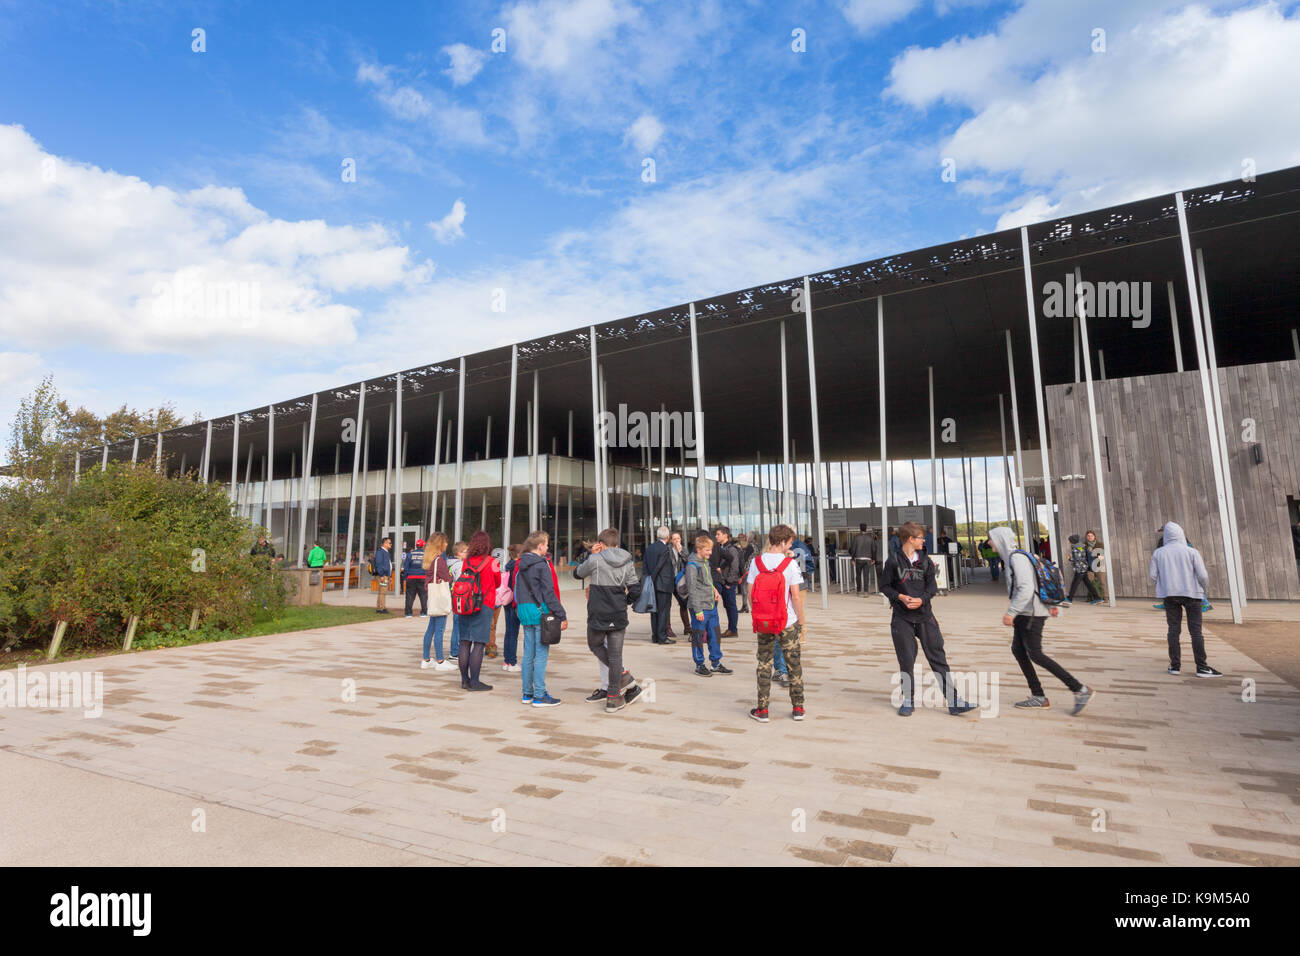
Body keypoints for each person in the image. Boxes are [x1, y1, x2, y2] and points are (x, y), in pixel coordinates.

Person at [989, 526, 1093, 714]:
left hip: (1030, 613)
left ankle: (1079, 689)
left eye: (991, 539)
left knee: (1035, 653)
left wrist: (1011, 612)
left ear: (1000, 540)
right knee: (1019, 650)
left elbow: (1027, 588)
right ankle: (1038, 695)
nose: (989, 543)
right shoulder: (1018, 556)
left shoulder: (1016, 558)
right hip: (1027, 613)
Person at [880, 522, 977, 717]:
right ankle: (908, 700)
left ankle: (954, 701)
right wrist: (900, 597)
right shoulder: (892, 561)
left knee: (938, 658)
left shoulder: (926, 561)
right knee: (906, 660)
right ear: (910, 539)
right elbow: (885, 586)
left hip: (925, 617)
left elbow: (932, 587)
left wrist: (921, 600)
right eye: (921, 538)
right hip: (902, 618)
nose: (924, 540)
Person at [574, 528, 644, 713]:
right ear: (617, 545)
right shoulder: (628, 561)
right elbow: (636, 591)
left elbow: (577, 573)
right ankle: (613, 699)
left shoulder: (596, 560)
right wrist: (624, 601)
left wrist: (592, 555)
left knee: (595, 644)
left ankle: (625, 677)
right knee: (615, 655)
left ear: (602, 544)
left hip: (599, 614)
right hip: (618, 613)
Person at [747, 524, 806, 723]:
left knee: (764, 663)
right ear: (782, 542)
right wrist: (801, 620)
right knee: (793, 664)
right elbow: (796, 596)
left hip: (764, 621)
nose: (790, 546)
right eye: (789, 542)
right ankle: (798, 707)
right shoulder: (790, 564)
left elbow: (749, 593)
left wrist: (758, 613)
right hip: (787, 621)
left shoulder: (756, 563)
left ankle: (762, 709)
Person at [1150, 521, 1221, 677]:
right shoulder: (1192, 552)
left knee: (1173, 630)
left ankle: (1175, 666)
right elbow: (1203, 575)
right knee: (1196, 631)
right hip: (1192, 593)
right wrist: (1203, 589)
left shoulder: (1159, 553)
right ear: (1181, 533)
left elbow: (1153, 576)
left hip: (1170, 595)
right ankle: (1202, 667)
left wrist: (1165, 584)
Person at [515, 530, 567, 706]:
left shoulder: (520, 564)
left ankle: (527, 693)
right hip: (540, 612)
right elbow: (549, 593)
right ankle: (539, 695)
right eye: (546, 544)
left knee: (528, 654)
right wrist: (561, 614)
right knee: (541, 655)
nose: (547, 547)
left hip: (523, 610)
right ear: (540, 546)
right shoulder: (541, 564)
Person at [452, 531, 500, 691]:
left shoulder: (466, 561)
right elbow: (498, 582)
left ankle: (464, 680)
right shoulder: (492, 562)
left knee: (465, 642)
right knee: (479, 643)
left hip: (466, 604)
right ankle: (475, 682)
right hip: (484, 604)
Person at [686, 533, 731, 677]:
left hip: (711, 605)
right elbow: (692, 589)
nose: (710, 553)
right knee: (699, 636)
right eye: (707, 550)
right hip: (700, 608)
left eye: (711, 550)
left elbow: (708, 581)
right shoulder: (692, 565)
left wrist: (715, 590)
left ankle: (715, 663)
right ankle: (699, 664)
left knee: (715, 635)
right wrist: (697, 610)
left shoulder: (705, 562)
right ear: (699, 549)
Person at [419, 533, 456, 671]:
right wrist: (450, 576)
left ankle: (426, 659)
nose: (447, 544)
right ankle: (440, 660)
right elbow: (448, 577)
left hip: (433, 597)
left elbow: (428, 579)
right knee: (439, 629)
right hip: (440, 598)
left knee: (431, 629)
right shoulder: (439, 560)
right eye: (445, 542)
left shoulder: (430, 559)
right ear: (440, 544)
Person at [643, 526, 676, 645]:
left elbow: (645, 566)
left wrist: (648, 580)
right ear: (668, 537)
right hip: (664, 584)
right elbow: (659, 567)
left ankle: (655, 636)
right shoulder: (665, 549)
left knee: (654, 611)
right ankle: (662, 637)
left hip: (653, 584)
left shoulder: (650, 548)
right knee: (663, 611)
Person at [710, 526, 742, 637]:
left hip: (728, 582)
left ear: (725, 535)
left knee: (731, 605)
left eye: (718, 534)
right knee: (726, 606)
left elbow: (734, 567)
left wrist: (729, 582)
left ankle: (733, 629)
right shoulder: (719, 547)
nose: (716, 536)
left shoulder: (731, 549)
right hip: (721, 581)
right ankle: (730, 628)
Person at [500, 544, 523, 672]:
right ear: (519, 555)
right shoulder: (517, 567)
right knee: (514, 632)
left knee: (509, 631)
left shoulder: (508, 566)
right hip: (514, 601)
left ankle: (506, 661)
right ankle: (512, 662)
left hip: (506, 600)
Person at [1064, 534, 1102, 605]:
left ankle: (1069, 599)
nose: (1069, 542)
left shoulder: (1076, 547)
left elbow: (1078, 559)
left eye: (1070, 541)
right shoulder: (1082, 546)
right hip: (1084, 567)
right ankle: (1097, 598)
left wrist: (1070, 558)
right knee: (1088, 584)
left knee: (1074, 584)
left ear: (1072, 541)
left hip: (1080, 569)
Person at [666, 531, 691, 638]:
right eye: (674, 539)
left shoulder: (684, 549)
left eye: (678, 538)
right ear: (671, 540)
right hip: (668, 580)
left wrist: (681, 552)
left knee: (684, 602)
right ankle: (668, 628)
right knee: (667, 605)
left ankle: (687, 627)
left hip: (680, 580)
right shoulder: (667, 550)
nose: (677, 541)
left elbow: (688, 562)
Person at [447, 540, 468, 657]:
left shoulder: (450, 563)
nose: (467, 553)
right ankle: (455, 651)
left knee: (457, 623)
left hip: (454, 595)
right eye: (466, 552)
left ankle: (456, 649)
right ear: (459, 553)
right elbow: (462, 581)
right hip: (460, 597)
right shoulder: (459, 565)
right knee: (458, 624)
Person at [403, 538, 428, 617]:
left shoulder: (410, 554)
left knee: (410, 596)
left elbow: (406, 567)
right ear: (423, 545)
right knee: (423, 596)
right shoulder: (426, 555)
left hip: (411, 577)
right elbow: (428, 567)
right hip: (422, 577)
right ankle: (424, 613)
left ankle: (408, 613)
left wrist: (404, 578)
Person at [849, 523, 877, 595]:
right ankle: (866, 592)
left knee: (858, 575)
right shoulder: (870, 538)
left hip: (858, 559)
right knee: (866, 575)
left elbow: (853, 549)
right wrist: (873, 559)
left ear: (860, 529)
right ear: (866, 529)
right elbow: (873, 549)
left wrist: (852, 559)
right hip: (867, 559)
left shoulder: (856, 538)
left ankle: (858, 591)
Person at [1084, 530, 1107, 601]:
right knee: (1090, 583)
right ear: (1086, 537)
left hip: (1099, 566)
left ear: (1094, 536)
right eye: (1088, 536)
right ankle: (1091, 598)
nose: (1090, 537)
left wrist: (1093, 552)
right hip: (1089, 567)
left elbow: (1101, 555)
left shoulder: (1100, 544)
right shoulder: (1084, 545)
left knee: (1102, 582)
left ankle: (1105, 598)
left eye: (1091, 536)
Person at [373, 536, 393, 614]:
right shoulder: (380, 552)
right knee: (383, 591)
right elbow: (379, 564)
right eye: (389, 543)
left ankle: (380, 607)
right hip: (382, 575)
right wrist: (381, 575)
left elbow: (388, 565)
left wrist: (390, 576)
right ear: (384, 543)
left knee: (382, 591)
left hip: (386, 575)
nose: (391, 544)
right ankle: (381, 608)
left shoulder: (386, 552)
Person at [736, 533, 754, 613]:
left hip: (747, 570)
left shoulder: (750, 547)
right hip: (753, 570)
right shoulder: (755, 546)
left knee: (744, 589)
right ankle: (746, 606)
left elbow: (744, 558)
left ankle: (745, 605)